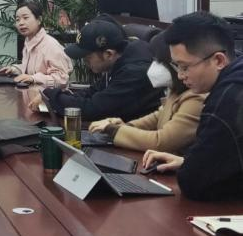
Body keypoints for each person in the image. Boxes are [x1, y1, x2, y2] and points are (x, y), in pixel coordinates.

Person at [142, 12, 243, 201]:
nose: (180, 76)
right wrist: (186, 161)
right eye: (176, 67)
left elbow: (193, 183)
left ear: (219, 60)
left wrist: (190, 167)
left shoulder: (227, 101)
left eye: (185, 67)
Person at [89, 31, 206, 152]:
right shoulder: (176, 91)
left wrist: (114, 130)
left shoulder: (195, 98)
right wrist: (126, 127)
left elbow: (161, 142)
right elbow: (157, 117)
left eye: (160, 62)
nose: (154, 66)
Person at [31, 18, 163, 122]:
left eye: (87, 57)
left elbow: (93, 109)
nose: (85, 62)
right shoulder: (119, 61)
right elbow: (92, 92)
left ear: (108, 54)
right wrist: (57, 96)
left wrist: (51, 95)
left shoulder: (135, 72)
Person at [0, 2, 74, 87]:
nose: (21, 23)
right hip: (32, 93)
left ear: (39, 20)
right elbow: (32, 69)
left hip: (50, 95)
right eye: (17, 19)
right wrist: (13, 69)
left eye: (25, 18)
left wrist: (34, 78)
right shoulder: (29, 42)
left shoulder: (51, 45)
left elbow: (62, 79)